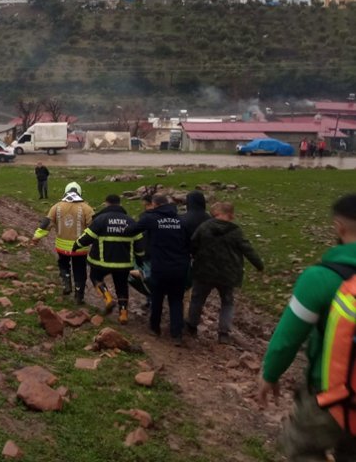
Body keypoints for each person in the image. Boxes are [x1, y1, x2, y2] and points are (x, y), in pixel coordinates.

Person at [258, 194, 356, 461]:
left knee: (303, 450)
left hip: (331, 395)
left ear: (339, 227)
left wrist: (270, 374)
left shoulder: (321, 278)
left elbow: (287, 339)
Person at [185, 202, 264, 344]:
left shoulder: (205, 227)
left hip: (204, 271)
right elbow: (248, 249)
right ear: (232, 215)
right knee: (227, 302)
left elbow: (192, 245)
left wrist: (193, 257)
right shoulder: (236, 231)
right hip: (228, 273)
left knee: (197, 299)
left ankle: (191, 326)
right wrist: (259, 265)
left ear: (215, 213)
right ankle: (223, 333)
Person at [123, 194, 192, 345]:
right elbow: (189, 243)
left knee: (157, 298)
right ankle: (177, 334)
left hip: (160, 266)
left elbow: (131, 230)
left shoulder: (151, 218)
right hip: (180, 267)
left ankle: (155, 327)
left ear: (154, 205)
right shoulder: (182, 220)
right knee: (176, 300)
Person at [72, 194, 144, 323]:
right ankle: (123, 314)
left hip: (101, 261)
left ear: (106, 204)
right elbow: (139, 244)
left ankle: (107, 298)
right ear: (120, 205)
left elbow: (88, 237)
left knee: (95, 277)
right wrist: (140, 261)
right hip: (123, 263)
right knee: (122, 286)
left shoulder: (101, 219)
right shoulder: (130, 221)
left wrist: (76, 245)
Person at [32, 182, 94, 303]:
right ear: (79, 192)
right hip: (80, 248)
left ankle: (66, 284)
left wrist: (36, 237)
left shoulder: (56, 207)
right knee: (80, 270)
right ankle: (78, 296)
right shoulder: (87, 209)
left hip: (62, 246)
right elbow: (94, 228)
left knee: (63, 264)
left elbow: (46, 224)